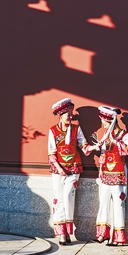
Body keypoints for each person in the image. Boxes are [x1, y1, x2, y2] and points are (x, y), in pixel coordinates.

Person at [48, 97, 93, 246]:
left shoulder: (76, 129)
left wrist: (94, 147)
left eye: (71, 113)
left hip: (74, 167)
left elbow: (84, 145)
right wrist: (59, 168)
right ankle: (62, 233)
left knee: (68, 196)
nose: (71, 116)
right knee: (59, 198)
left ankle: (68, 230)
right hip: (58, 169)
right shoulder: (53, 130)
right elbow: (51, 152)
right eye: (68, 114)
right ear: (60, 115)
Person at [92, 105, 128, 246]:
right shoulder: (105, 136)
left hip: (119, 172)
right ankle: (102, 234)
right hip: (105, 172)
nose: (103, 125)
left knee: (118, 203)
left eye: (104, 123)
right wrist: (100, 169)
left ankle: (117, 237)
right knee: (103, 202)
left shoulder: (126, 136)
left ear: (111, 122)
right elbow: (103, 154)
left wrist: (115, 141)